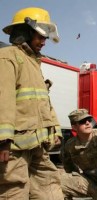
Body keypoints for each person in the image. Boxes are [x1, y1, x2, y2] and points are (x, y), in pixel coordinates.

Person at [0, 7, 64, 199]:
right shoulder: (8, 56)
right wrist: (3, 141)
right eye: (40, 36)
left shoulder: (34, 63)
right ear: (25, 32)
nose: (44, 42)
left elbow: (44, 101)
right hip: (14, 149)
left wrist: (55, 130)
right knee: (14, 191)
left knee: (51, 191)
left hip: (38, 145)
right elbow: (4, 98)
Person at [60, 109, 97, 200]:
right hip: (89, 181)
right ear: (74, 127)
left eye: (89, 120)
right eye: (82, 121)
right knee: (58, 183)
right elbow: (69, 167)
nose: (88, 123)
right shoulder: (70, 145)